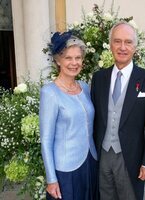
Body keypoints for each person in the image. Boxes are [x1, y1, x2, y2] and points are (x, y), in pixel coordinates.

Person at [91, 21, 145, 200]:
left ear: (135, 47)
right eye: (117, 41)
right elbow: (93, 120)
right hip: (102, 155)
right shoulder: (99, 78)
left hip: (131, 157)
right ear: (111, 45)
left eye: (128, 42)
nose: (122, 47)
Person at [39, 31, 98, 200]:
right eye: (68, 58)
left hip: (90, 161)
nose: (74, 63)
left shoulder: (85, 87)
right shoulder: (49, 93)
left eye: (78, 58)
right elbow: (46, 139)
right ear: (58, 60)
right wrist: (51, 179)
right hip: (65, 169)